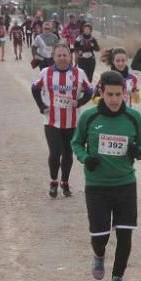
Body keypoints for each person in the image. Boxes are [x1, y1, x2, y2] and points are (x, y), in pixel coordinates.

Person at [72, 71, 141, 281]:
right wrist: (86, 158)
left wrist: (139, 151)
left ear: (125, 94)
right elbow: (76, 143)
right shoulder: (89, 117)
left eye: (119, 94)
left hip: (125, 184)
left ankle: (117, 278)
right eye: (110, 94)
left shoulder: (133, 118)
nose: (115, 100)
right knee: (100, 235)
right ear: (101, 92)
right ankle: (98, 255)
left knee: (125, 233)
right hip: (97, 186)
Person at [31, 43, 93, 198]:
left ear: (70, 56)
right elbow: (35, 88)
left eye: (65, 55)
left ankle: (65, 182)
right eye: (59, 55)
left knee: (68, 153)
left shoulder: (79, 73)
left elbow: (90, 91)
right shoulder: (46, 72)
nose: (62, 58)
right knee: (55, 152)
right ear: (54, 57)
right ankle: (53, 182)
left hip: (72, 121)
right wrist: (41, 106)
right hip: (52, 120)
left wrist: (78, 102)